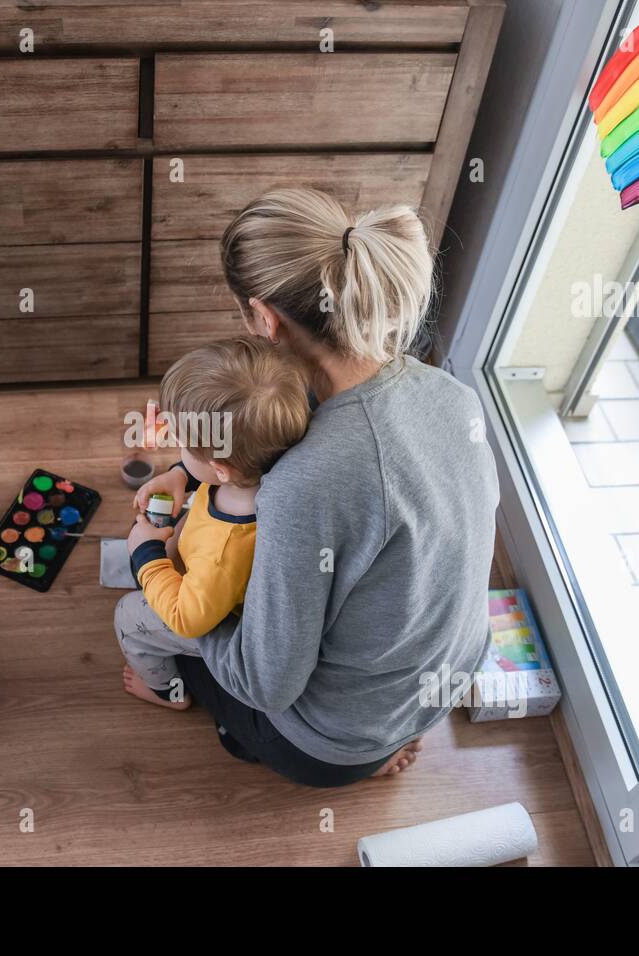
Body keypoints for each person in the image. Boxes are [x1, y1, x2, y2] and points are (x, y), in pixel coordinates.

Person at [119, 188, 499, 787]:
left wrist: (173, 572)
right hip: (434, 688)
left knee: (143, 621)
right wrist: (186, 471)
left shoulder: (305, 484)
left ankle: (274, 744)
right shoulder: (451, 396)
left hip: (330, 743)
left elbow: (264, 681)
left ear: (265, 319)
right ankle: (377, 750)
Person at [117, 336, 310, 707]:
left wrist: (146, 555)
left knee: (126, 615)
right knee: (169, 545)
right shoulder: (254, 472)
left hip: (214, 614)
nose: (179, 451)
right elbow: (213, 475)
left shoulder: (225, 552)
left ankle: (166, 691)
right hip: (204, 560)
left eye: (184, 448)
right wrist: (180, 475)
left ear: (219, 469)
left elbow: (186, 619)